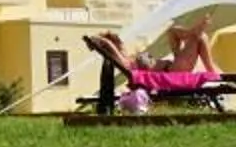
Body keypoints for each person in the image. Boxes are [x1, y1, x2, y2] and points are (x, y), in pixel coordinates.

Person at [83, 19, 221, 96]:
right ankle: (211, 71)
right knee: (200, 37)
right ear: (113, 47)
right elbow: (117, 54)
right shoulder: (125, 62)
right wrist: (104, 42)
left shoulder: (129, 55)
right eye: (116, 42)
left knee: (172, 31)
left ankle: (191, 32)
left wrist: (107, 40)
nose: (120, 42)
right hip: (174, 71)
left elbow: (120, 45)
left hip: (173, 64)